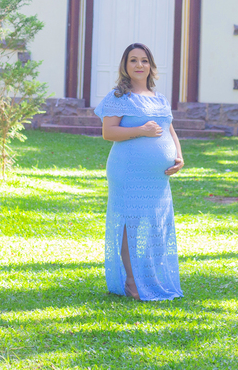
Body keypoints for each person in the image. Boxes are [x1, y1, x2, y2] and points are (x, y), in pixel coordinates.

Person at [93, 43, 184, 300]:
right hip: (128, 171)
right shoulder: (118, 97)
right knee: (129, 223)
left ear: (151, 66)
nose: (139, 65)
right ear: (125, 65)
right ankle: (133, 282)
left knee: (155, 225)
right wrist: (141, 130)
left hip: (157, 178)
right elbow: (108, 132)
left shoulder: (160, 98)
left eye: (144, 60)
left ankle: (151, 277)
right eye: (133, 60)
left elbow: (169, 129)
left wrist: (178, 156)